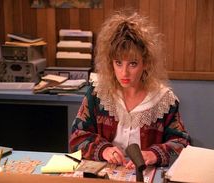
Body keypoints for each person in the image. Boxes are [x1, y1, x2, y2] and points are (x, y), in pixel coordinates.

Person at [69, 10, 190, 168]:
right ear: (110, 63)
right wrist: (104, 150)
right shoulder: (98, 93)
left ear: (145, 63)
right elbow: (77, 137)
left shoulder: (163, 100)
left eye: (133, 63)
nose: (124, 73)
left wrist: (154, 154)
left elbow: (181, 144)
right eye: (118, 63)